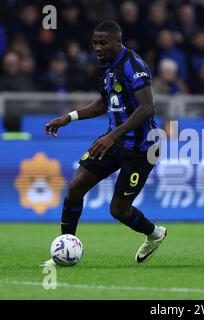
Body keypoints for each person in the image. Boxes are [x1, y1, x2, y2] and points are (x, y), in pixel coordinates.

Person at [41, 20, 167, 267]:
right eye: (94, 43)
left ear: (117, 41)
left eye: (102, 42)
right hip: (114, 141)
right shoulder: (106, 68)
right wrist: (69, 117)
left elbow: (147, 108)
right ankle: (65, 250)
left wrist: (111, 136)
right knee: (76, 187)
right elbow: (102, 103)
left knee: (119, 210)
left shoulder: (133, 64)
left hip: (142, 149)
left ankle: (154, 234)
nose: (97, 47)